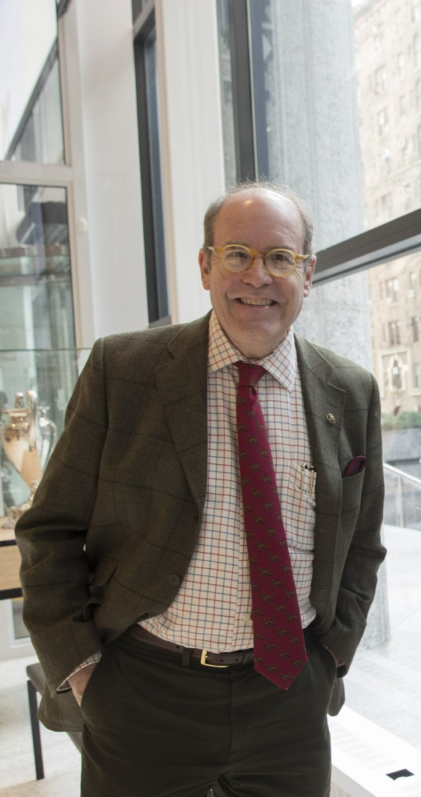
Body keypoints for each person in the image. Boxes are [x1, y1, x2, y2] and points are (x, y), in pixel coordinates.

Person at [16, 182, 386, 796]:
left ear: (308, 271)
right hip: (143, 692)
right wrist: (83, 671)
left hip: (288, 695)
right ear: (206, 265)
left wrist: (331, 657)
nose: (257, 276)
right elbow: (50, 530)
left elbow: (362, 547)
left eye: (280, 257)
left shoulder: (350, 392)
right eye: (237, 254)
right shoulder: (124, 370)